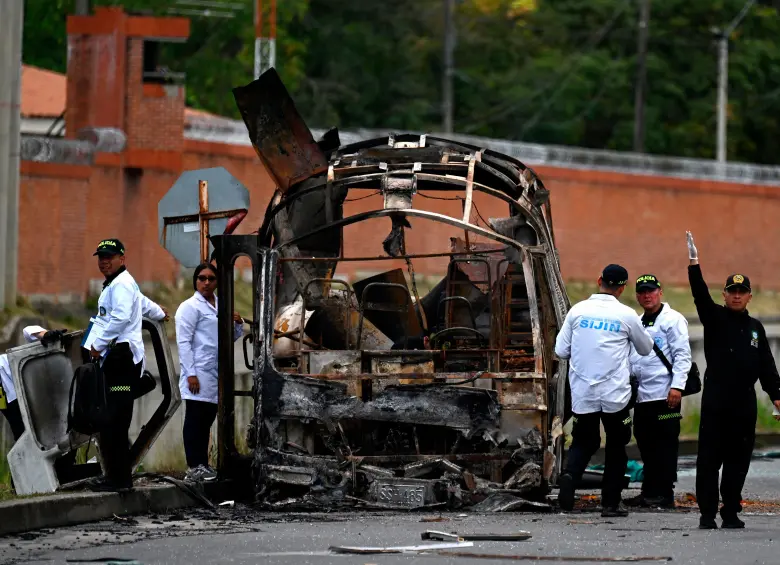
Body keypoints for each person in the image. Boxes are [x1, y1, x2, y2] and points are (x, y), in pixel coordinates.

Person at [686, 231, 780, 529]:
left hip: (744, 403)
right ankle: (707, 513)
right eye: (731, 291)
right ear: (724, 295)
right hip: (716, 401)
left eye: (742, 291)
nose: (737, 295)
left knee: (738, 461)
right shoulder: (714, 317)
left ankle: (730, 510)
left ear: (749, 296)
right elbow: (700, 294)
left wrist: (777, 395)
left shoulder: (755, 328)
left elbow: (767, 366)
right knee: (709, 459)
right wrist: (693, 263)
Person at [554, 264, 654, 517]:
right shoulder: (627, 314)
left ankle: (569, 478)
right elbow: (645, 349)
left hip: (583, 392)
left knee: (583, 441)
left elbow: (560, 351)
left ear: (599, 280)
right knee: (617, 445)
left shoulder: (577, 312)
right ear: (622, 288)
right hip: (615, 395)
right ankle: (610, 503)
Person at [87, 238, 167, 492]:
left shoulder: (121, 284)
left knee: (116, 420)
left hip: (121, 360)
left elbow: (121, 317)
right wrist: (161, 313)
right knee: (113, 419)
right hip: (117, 360)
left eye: (109, 256)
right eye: (101, 257)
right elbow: (142, 303)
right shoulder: (120, 283)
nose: (104, 261)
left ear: (122, 258)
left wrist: (98, 344)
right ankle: (115, 476)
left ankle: (120, 480)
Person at [628, 274, 692, 509]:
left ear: (660, 292)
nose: (647, 295)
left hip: (666, 395)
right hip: (642, 395)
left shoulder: (673, 320)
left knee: (665, 445)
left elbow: (682, 356)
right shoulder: (636, 321)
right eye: (642, 291)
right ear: (637, 295)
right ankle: (649, 491)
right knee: (645, 443)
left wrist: (677, 387)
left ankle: (664, 493)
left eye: (651, 290)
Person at [175, 262, 243, 482]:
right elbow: (183, 342)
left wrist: (238, 323)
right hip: (198, 372)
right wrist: (191, 374)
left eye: (211, 279)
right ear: (195, 281)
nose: (206, 282)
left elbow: (228, 338)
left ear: (217, 282)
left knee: (207, 420)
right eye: (201, 278)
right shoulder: (189, 307)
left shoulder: (220, 305)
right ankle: (194, 466)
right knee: (195, 419)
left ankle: (203, 465)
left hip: (214, 373)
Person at [0, 325, 66, 440]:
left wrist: (44, 334)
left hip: (46, 407)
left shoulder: (8, 362)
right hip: (19, 418)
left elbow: (29, 331)